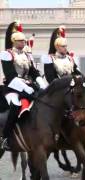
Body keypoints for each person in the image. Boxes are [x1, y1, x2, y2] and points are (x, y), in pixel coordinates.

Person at [0, 21, 47, 150]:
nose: (23, 43)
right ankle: (5, 137)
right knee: (15, 105)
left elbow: (33, 71)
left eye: (24, 41)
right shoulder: (7, 54)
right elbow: (10, 76)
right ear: (14, 41)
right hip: (12, 88)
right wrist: (25, 88)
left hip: (29, 85)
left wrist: (42, 85)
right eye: (20, 41)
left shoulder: (26, 55)